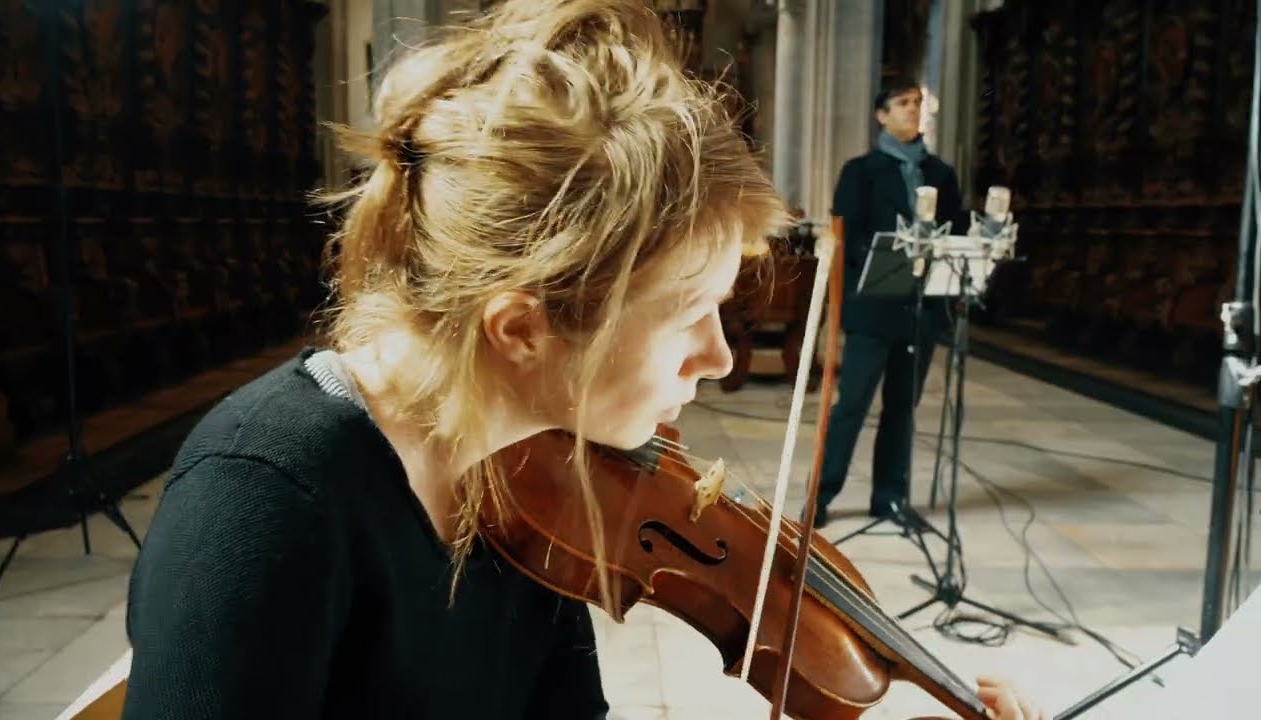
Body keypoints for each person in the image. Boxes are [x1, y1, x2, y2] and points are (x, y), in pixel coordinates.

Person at [119, 1, 1042, 718]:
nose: (720, 358)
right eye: (688, 316)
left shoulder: (536, 471)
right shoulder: (262, 503)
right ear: (521, 329)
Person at [813, 81, 969, 528]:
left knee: (902, 408)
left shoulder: (941, 174)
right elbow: (848, 234)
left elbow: (955, 231)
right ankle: (821, 495)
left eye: (917, 103)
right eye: (903, 103)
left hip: (921, 309)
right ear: (881, 115)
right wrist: (894, 256)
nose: (913, 110)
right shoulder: (861, 171)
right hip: (874, 305)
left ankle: (890, 498)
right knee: (851, 406)